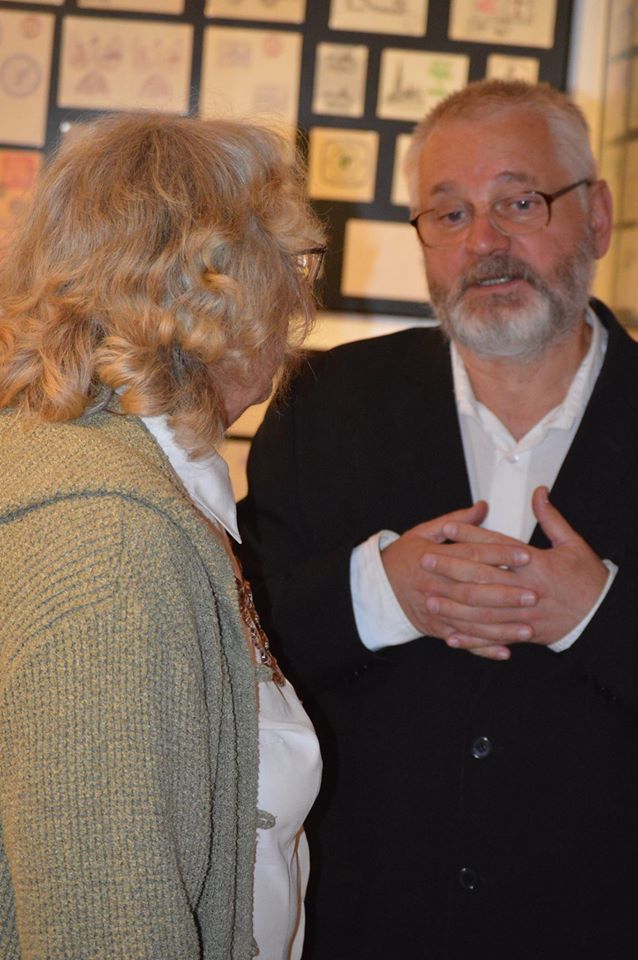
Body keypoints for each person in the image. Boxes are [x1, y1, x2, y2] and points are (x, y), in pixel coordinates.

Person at [238, 80, 638, 960]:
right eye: (449, 214)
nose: (484, 243)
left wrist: (602, 617)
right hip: (361, 928)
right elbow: (233, 637)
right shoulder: (322, 404)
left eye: (519, 202)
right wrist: (377, 592)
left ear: (599, 216)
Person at [0, 112, 326, 959]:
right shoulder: (110, 545)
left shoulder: (122, 487)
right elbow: (105, 925)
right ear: (227, 295)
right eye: (291, 264)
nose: (299, 298)